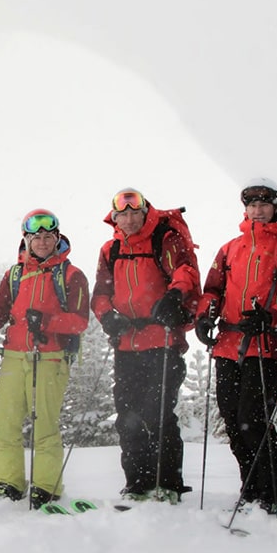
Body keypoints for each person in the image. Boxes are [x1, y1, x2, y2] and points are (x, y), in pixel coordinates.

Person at [194, 178, 277, 513]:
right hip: (228, 344)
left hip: (265, 345)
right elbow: (212, 289)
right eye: (252, 205)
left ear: (276, 206)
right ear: (245, 209)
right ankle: (252, 489)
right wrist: (205, 317)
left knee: (253, 421)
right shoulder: (231, 247)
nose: (258, 211)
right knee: (233, 422)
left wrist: (271, 317)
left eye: (264, 204)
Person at [91, 188, 201, 502]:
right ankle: (136, 484)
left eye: (133, 213)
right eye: (121, 214)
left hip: (163, 340)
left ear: (144, 212)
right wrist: (106, 317)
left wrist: (174, 296)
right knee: (128, 415)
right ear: (114, 218)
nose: (128, 219)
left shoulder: (163, 239)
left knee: (158, 413)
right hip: (126, 343)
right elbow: (100, 293)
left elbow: (185, 271)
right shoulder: (110, 249)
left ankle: (168, 483)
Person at [0, 209, 90, 508]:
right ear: (26, 240)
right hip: (15, 356)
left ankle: (46, 486)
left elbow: (80, 321)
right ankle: (9, 483)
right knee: (6, 424)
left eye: (47, 236)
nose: (41, 242)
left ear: (57, 238)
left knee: (44, 425)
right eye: (35, 237)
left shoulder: (71, 275)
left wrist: (45, 320)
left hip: (51, 357)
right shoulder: (15, 274)